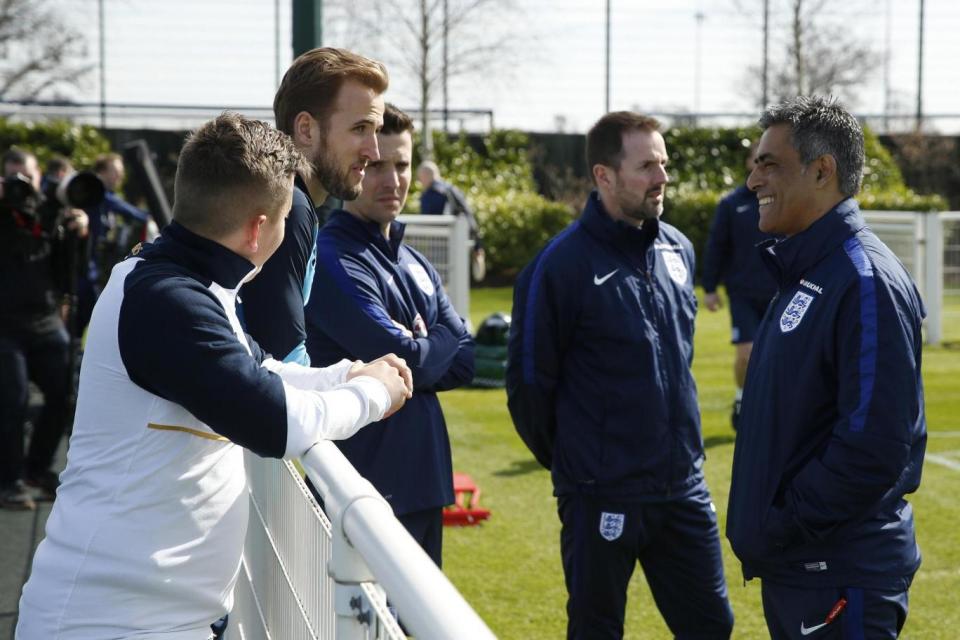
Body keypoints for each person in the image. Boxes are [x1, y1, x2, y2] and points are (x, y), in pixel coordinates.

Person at [16, 113, 413, 639]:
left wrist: (345, 375)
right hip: (105, 623)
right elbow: (275, 422)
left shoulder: (189, 282)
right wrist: (372, 394)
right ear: (258, 228)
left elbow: (259, 372)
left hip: (145, 618)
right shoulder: (167, 299)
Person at [506, 112, 734, 639]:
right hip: (600, 494)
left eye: (664, 164)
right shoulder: (558, 266)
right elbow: (530, 387)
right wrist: (581, 463)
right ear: (604, 175)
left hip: (682, 488)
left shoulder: (678, 249)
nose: (662, 178)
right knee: (597, 630)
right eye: (647, 165)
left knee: (712, 627)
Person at [726, 96, 927, 639]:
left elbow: (873, 448)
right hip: (805, 569)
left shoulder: (863, 281)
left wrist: (781, 523)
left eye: (769, 164)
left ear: (822, 170)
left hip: (836, 575)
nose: (753, 182)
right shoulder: (810, 269)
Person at [305, 104, 475, 567]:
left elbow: (466, 361)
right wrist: (436, 338)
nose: (392, 179)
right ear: (357, 165)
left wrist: (422, 349)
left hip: (424, 482)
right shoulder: (334, 257)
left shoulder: (413, 261)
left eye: (401, 164)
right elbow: (405, 355)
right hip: (366, 487)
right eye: (377, 165)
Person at [241, 47, 388, 365]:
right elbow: (283, 364)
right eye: (359, 129)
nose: (373, 151)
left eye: (375, 131)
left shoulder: (287, 199)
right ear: (306, 129)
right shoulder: (289, 207)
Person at [0, 149, 87, 510]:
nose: (22, 187)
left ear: (40, 180)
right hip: (4, 327)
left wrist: (80, 233)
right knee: (12, 400)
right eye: (13, 180)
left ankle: (37, 469)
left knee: (64, 394)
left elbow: (73, 272)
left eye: (27, 179)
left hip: (46, 320)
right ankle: (10, 479)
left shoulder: (51, 215)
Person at [701, 143, 777, 428]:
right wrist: (709, 287)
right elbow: (717, 246)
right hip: (743, 293)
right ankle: (742, 397)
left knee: (778, 356)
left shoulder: (782, 199)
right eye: (756, 159)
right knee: (746, 354)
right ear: (748, 162)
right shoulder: (732, 204)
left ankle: (772, 408)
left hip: (778, 292)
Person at [79, 153, 151, 333]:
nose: (120, 176)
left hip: (95, 265)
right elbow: (126, 210)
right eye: (116, 171)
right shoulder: (97, 192)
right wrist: (149, 217)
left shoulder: (106, 196)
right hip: (85, 265)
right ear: (102, 172)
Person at [417, 161, 485, 281]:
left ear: (425, 176)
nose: (420, 182)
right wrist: (477, 245)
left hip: (438, 247)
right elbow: (469, 216)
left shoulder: (430, 194)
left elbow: (426, 222)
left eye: (420, 179)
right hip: (458, 244)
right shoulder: (453, 190)